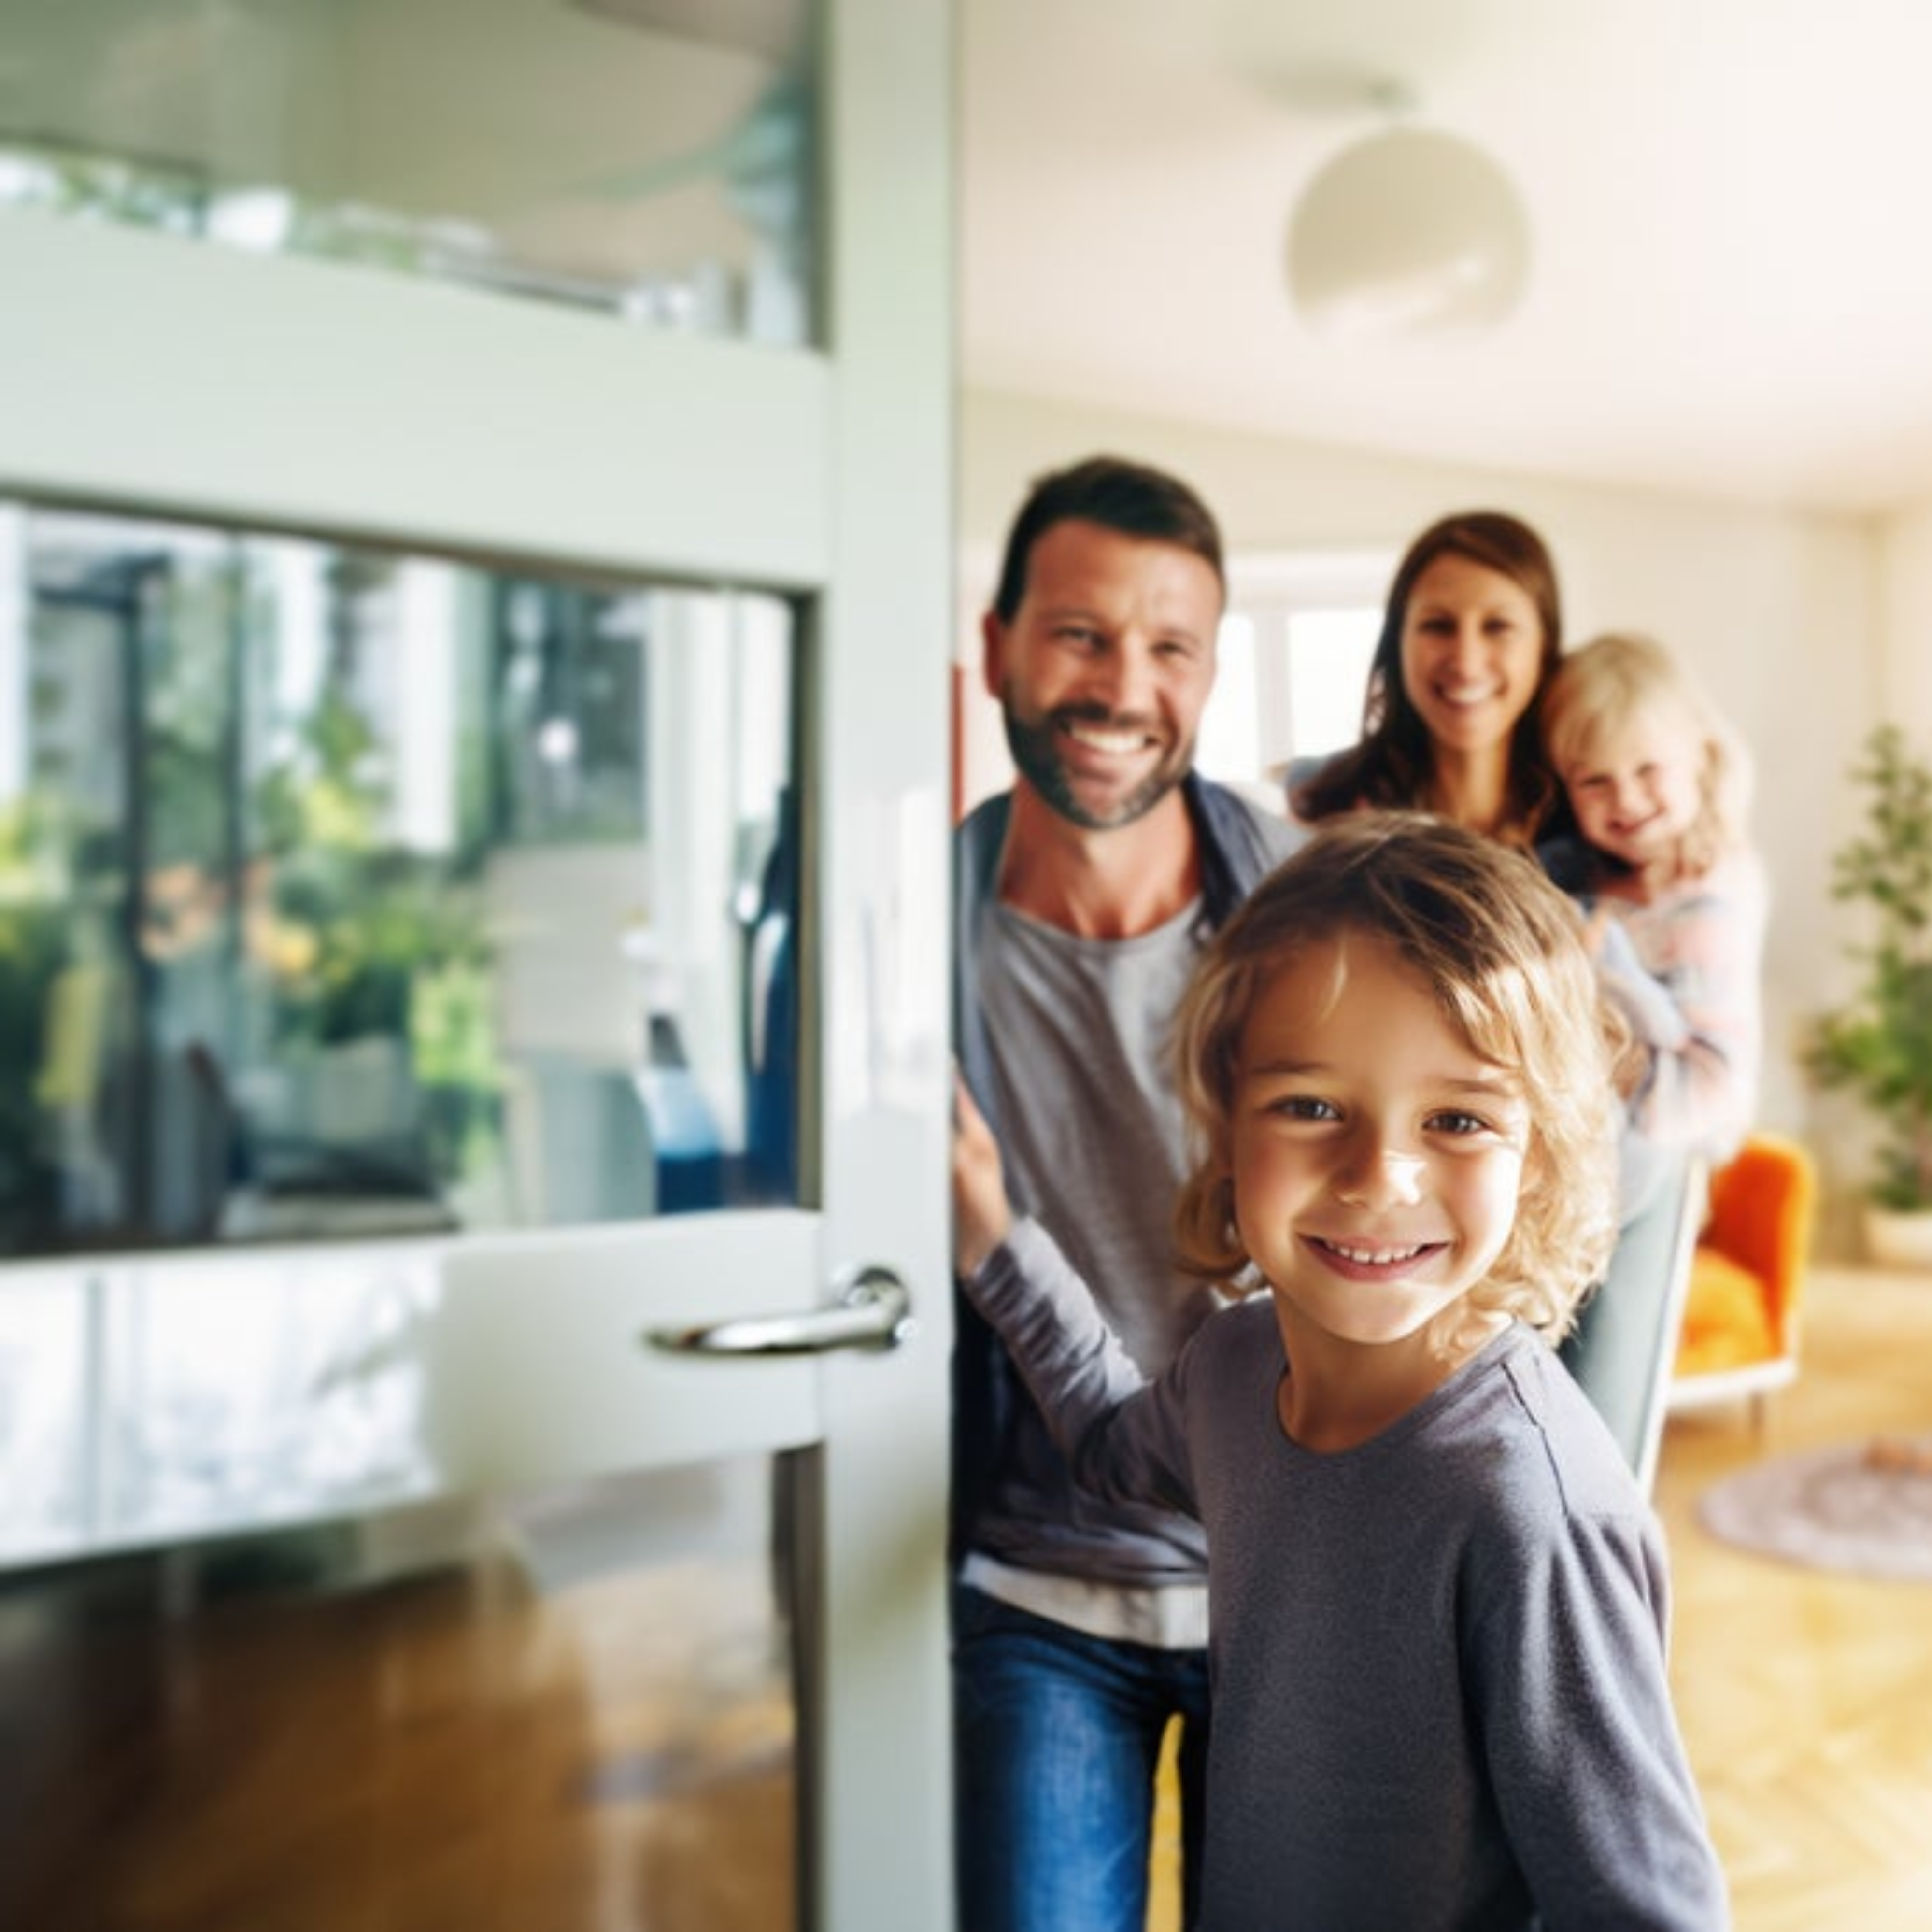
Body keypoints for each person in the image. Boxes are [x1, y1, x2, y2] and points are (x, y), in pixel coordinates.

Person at [953, 815, 1730, 1931]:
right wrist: (990, 1235)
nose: (1378, 1175)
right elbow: (1109, 1441)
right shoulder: (1229, 1368)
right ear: (1225, 1124)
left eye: (1457, 1117)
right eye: (1311, 1105)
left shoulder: (1531, 1508)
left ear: (1541, 1149)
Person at [951, 454, 1301, 1931]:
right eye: (1080, 633)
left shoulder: (1292, 906)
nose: (1121, 686)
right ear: (997, 649)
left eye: (1168, 647)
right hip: (1038, 1598)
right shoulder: (909, 934)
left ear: (1210, 674)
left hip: (1287, 1588)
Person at [1538, 630, 1769, 1165]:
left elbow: (1712, 1096)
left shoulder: (1705, 903)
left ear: (1701, 759)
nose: (1627, 798)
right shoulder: (1587, 878)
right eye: (1595, 781)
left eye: (1647, 770)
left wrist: (1601, 1007)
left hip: (1667, 1161)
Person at [1287, 509, 1563, 847]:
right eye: (1438, 626)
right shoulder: (1316, 812)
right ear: (1397, 642)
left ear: (1544, 648)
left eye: (1497, 627)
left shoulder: (1597, 826)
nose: (1466, 663)